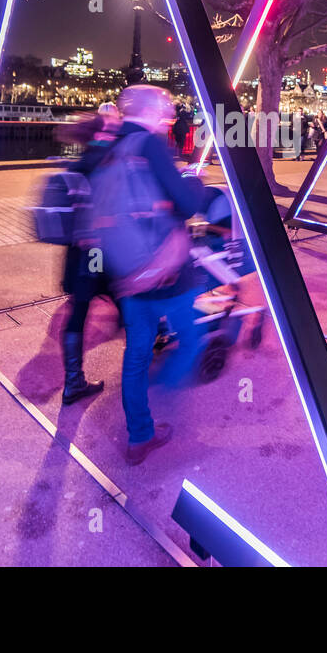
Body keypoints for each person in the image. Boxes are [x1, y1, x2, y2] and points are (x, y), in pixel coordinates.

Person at [101, 85, 208, 465]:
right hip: (165, 272)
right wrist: (195, 178)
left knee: (137, 354)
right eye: (164, 114)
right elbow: (186, 204)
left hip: (127, 275)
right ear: (148, 114)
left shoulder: (109, 145)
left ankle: (139, 437)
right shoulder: (149, 146)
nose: (168, 121)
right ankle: (166, 389)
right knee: (194, 337)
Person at [52, 102, 122, 406]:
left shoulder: (77, 162)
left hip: (77, 252)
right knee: (126, 298)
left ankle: (73, 381)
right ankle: (145, 358)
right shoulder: (106, 160)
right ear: (102, 130)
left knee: (79, 312)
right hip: (99, 251)